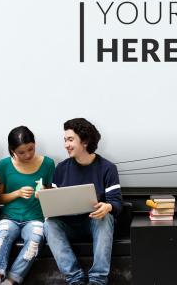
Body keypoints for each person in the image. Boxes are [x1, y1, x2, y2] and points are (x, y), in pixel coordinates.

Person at [44, 118, 122, 285]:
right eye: (65, 140)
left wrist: (107, 206)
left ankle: (98, 280)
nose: (66, 145)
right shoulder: (61, 169)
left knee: (105, 217)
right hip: (69, 225)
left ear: (85, 141)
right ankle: (75, 279)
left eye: (70, 140)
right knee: (49, 224)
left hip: (95, 224)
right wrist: (46, 198)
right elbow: (54, 203)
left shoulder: (107, 168)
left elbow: (117, 203)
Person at [0, 126, 55, 285]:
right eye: (22, 152)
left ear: (35, 143)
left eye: (31, 149)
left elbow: (52, 197)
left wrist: (44, 193)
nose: (28, 155)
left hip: (36, 218)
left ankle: (11, 280)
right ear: (12, 150)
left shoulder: (48, 164)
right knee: (3, 236)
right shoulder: (4, 165)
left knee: (35, 240)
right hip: (9, 217)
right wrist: (16, 193)